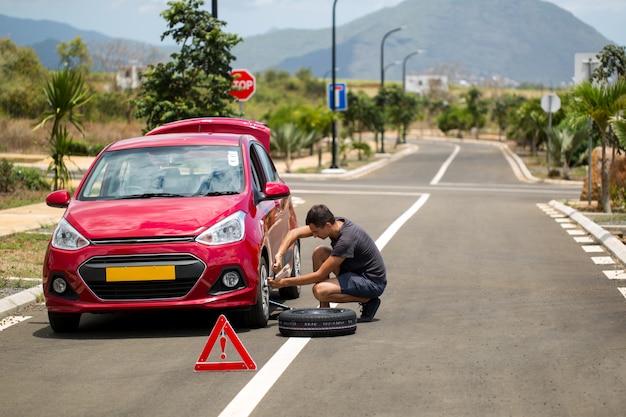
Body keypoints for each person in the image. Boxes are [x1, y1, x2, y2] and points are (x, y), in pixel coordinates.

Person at [269, 204, 386, 322]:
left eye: (316, 232)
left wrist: (284, 283)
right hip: (354, 271)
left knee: (319, 291)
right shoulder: (334, 223)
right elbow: (294, 233)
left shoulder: (346, 240)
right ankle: (324, 308)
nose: (314, 235)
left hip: (371, 282)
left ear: (328, 226)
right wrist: (279, 255)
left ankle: (368, 300)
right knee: (319, 252)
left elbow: (319, 275)